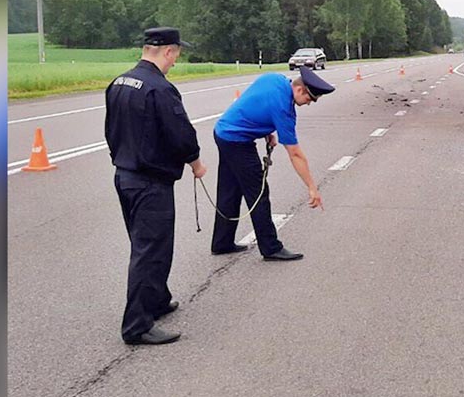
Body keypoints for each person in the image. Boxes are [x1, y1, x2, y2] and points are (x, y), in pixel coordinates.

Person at [104, 27, 206, 345]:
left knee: (148, 245)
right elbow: (180, 134)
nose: (176, 61)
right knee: (151, 251)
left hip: (125, 176)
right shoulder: (160, 89)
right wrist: (196, 162)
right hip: (150, 182)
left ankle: (158, 300)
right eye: (176, 54)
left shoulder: (119, 82)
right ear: (167, 52)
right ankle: (136, 325)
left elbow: (111, 130)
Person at [210, 66, 334, 261]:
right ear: (300, 90)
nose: (309, 104)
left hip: (223, 132)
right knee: (258, 193)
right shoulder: (284, 109)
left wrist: (266, 130)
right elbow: (295, 154)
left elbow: (255, 102)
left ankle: (222, 242)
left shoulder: (275, 79)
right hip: (238, 142)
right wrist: (312, 188)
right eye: (310, 99)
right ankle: (270, 247)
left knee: (230, 190)